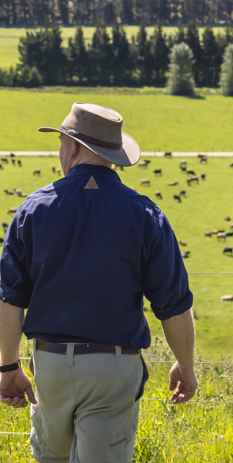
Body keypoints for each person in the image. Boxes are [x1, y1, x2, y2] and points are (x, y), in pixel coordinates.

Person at [0, 102, 197, 463]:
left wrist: (9, 367)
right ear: (112, 154)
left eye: (61, 143)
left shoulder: (32, 210)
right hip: (113, 369)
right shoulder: (146, 215)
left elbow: (10, 300)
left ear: (72, 147)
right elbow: (175, 307)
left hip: (50, 365)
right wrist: (185, 368)